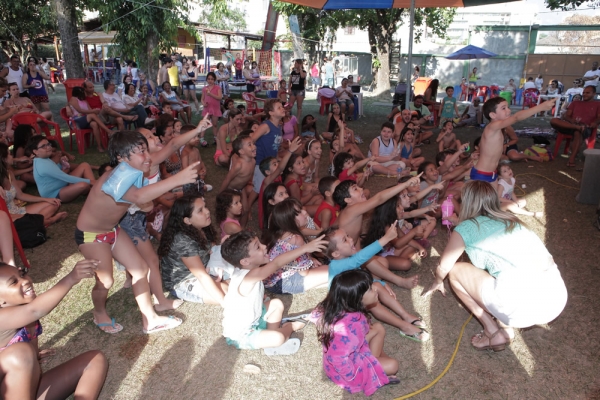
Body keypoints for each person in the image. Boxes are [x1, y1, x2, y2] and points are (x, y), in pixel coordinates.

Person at [75, 130, 199, 334]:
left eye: (145, 149)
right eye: (141, 151)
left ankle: (150, 320)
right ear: (121, 158)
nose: (147, 156)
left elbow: (170, 147)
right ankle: (98, 312)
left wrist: (197, 129)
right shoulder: (114, 179)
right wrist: (178, 179)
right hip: (91, 236)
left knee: (140, 269)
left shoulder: (135, 169)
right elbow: (139, 197)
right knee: (106, 281)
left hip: (112, 230)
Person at [423, 180, 567, 351]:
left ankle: (492, 331)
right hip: (555, 300)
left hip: (519, 308)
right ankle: (505, 324)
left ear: (466, 203)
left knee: (455, 271)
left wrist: (437, 281)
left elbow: (444, 266)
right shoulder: (511, 219)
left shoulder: (465, 229)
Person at [0, 261, 108, 399]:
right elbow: (34, 310)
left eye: (22, 274)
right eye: (13, 282)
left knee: (94, 359)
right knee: (20, 353)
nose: (25, 280)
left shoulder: (28, 317)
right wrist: (71, 278)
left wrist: (33, 356)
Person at [220, 230, 327, 354]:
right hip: (241, 335)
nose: (264, 247)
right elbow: (276, 263)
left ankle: (271, 335)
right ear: (245, 261)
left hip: (256, 317)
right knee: (278, 338)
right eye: (258, 247)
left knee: (276, 304)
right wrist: (305, 248)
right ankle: (290, 327)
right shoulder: (251, 275)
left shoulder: (244, 269)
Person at [313, 269, 400, 395]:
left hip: (356, 350)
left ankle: (375, 363)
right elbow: (335, 358)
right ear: (357, 298)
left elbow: (316, 314)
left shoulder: (345, 308)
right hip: (350, 368)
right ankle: (374, 371)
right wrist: (354, 376)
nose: (375, 289)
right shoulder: (347, 329)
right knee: (393, 365)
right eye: (370, 289)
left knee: (378, 328)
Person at [158, 195, 227, 304]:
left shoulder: (202, 227)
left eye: (205, 207)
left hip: (206, 267)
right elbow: (201, 275)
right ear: (188, 220)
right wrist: (224, 301)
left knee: (240, 271)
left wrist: (220, 258)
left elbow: (212, 249)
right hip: (184, 281)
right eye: (200, 210)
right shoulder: (182, 240)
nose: (207, 211)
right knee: (228, 293)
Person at [474, 96, 555, 183]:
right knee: (484, 196)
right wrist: (541, 107)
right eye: (503, 108)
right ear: (493, 115)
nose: (509, 110)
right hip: (482, 174)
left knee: (495, 196)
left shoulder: (499, 127)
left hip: (492, 173)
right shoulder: (492, 126)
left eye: (508, 107)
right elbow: (516, 117)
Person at [0, 142, 67, 226]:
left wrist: (45, 199)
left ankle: (36, 222)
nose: (12, 157)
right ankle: (49, 221)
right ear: (3, 159)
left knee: (54, 203)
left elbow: (21, 195)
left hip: (16, 210)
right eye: (9, 154)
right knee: (22, 221)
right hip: (5, 217)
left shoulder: (9, 173)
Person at [28, 136, 93, 202]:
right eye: (43, 146)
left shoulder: (43, 159)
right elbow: (65, 177)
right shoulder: (42, 164)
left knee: (84, 165)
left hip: (64, 183)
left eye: (48, 144)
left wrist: (62, 163)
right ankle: (94, 188)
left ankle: (94, 188)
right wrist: (90, 181)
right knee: (83, 185)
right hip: (55, 193)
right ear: (35, 151)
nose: (48, 147)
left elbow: (59, 173)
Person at [550, 85, 600, 168]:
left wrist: (595, 122)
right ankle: (577, 127)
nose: (584, 94)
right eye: (584, 92)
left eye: (588, 93)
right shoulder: (575, 102)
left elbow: (599, 117)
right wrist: (571, 120)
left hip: (585, 127)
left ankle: (571, 159)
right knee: (553, 120)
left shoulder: (597, 104)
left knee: (578, 133)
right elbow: (566, 115)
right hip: (570, 125)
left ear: (594, 93)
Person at [251, 99, 285, 201]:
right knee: (257, 190)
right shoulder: (266, 126)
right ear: (271, 113)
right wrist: (252, 155)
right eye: (279, 107)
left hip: (271, 163)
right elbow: (251, 140)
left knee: (269, 186)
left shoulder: (278, 126)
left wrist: (277, 158)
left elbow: (275, 146)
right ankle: (247, 209)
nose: (282, 108)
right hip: (261, 163)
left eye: (282, 106)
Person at [69, 87, 114, 153]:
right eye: (84, 91)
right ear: (80, 92)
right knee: (92, 115)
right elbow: (80, 110)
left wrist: (95, 111)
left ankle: (99, 146)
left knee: (94, 124)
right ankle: (108, 131)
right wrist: (92, 112)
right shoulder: (74, 99)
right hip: (76, 121)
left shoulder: (84, 100)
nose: (85, 93)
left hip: (85, 120)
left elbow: (90, 110)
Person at [200, 72, 222, 146]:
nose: (210, 80)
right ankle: (201, 139)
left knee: (215, 124)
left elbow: (219, 97)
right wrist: (203, 104)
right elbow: (202, 99)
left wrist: (210, 94)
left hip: (215, 108)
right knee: (204, 124)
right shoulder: (204, 88)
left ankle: (215, 138)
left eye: (212, 79)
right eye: (209, 79)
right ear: (206, 79)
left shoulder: (218, 88)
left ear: (214, 80)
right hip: (207, 109)